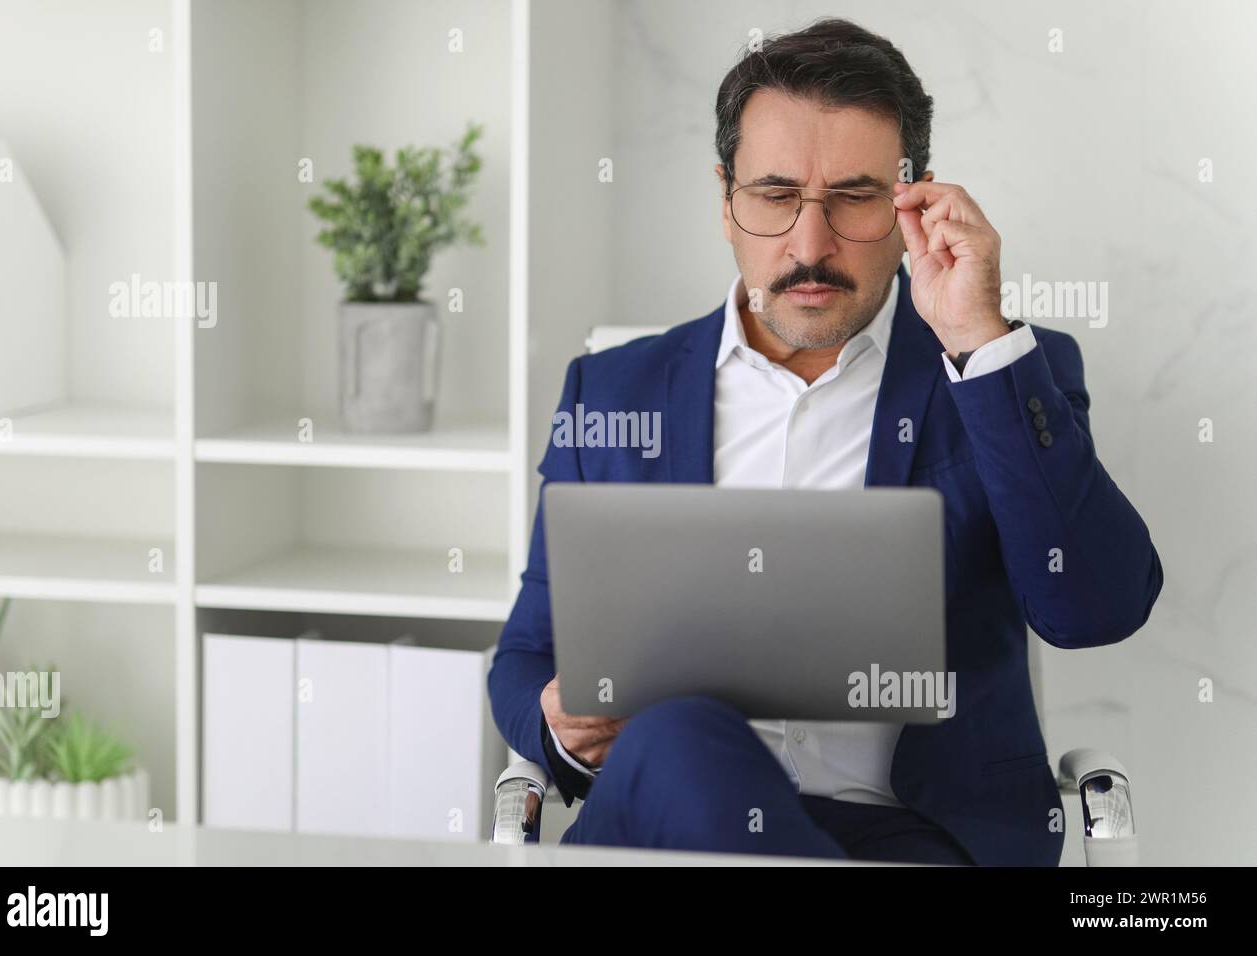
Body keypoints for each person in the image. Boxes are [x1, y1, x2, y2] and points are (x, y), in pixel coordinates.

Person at [488, 16, 1162, 865]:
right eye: (775, 196)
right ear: (725, 201)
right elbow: (525, 651)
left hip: (914, 835)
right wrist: (555, 723)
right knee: (686, 740)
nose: (811, 246)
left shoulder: (999, 372)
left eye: (854, 197)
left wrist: (981, 344)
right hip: (665, 812)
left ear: (913, 200)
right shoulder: (613, 390)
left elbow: (1095, 609)